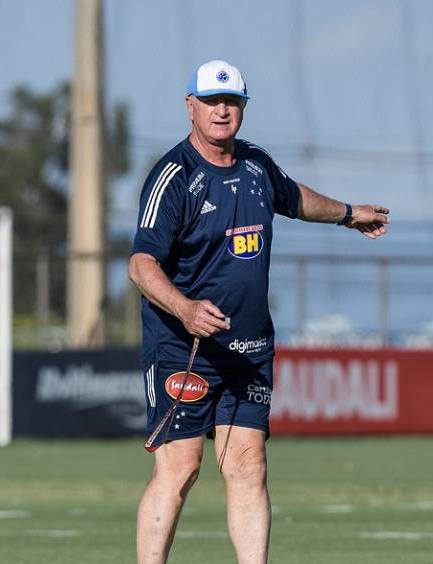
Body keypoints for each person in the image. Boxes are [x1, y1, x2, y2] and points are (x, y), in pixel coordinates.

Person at [129, 60, 389, 564]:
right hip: (184, 350)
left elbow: (295, 198)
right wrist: (184, 309)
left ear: (243, 108)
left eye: (231, 102)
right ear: (191, 107)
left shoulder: (255, 165)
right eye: (210, 102)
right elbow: (141, 264)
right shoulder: (174, 176)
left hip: (248, 349)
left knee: (248, 467)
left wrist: (349, 215)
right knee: (180, 468)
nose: (221, 110)